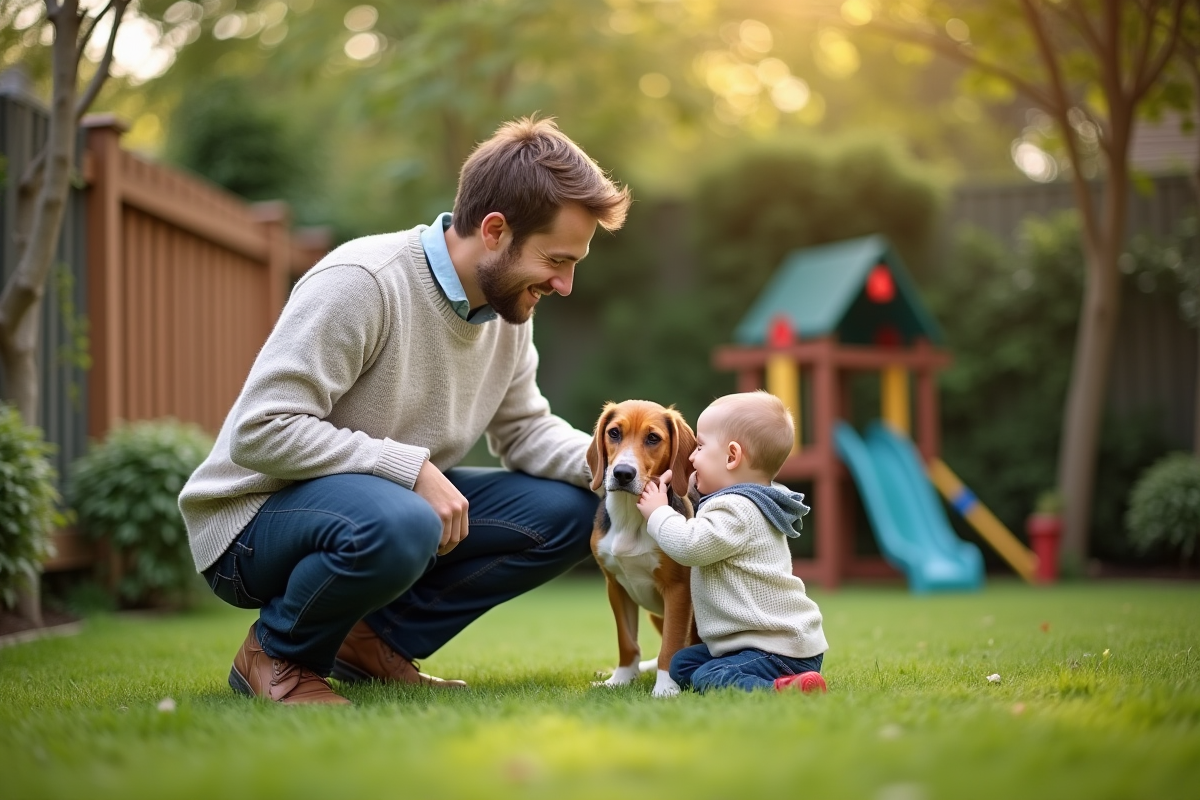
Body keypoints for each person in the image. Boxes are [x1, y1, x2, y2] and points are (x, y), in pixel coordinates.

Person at [179, 117, 631, 705]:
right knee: (404, 519)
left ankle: (368, 641)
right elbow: (260, 432)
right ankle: (277, 652)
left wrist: (624, 468)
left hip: (379, 507)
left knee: (580, 507)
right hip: (251, 522)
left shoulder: (507, 311)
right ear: (495, 231)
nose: (565, 284)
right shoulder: (364, 281)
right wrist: (410, 468)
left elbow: (524, 430)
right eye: (556, 260)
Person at [635, 391, 829, 694]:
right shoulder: (752, 500)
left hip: (775, 648)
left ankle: (782, 688)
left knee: (707, 678)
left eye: (699, 446)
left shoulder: (737, 508)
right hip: (754, 643)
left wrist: (659, 513)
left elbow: (690, 546)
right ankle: (775, 679)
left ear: (732, 456)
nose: (691, 457)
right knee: (681, 664)